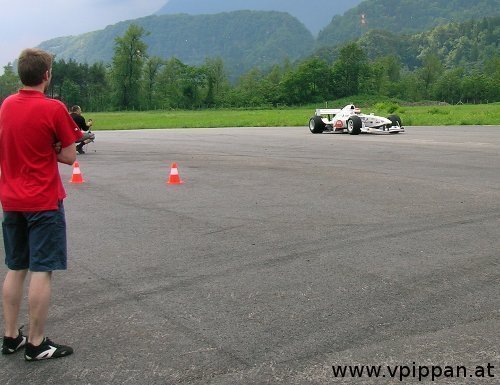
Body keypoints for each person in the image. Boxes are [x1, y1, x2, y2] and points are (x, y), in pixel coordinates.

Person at [0, 48, 82, 361]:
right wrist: (51, 149)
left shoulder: (6, 105)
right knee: (42, 270)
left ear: (21, 74)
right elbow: (70, 155)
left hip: (11, 199)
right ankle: (36, 342)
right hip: (42, 201)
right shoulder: (53, 108)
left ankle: (10, 337)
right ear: (46, 75)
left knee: (15, 266)